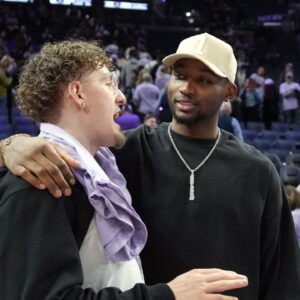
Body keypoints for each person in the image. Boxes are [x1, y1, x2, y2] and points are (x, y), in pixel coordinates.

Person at [2, 33, 300, 299]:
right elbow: (60, 146)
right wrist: (10, 146)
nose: (187, 88)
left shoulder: (258, 170)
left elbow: (282, 276)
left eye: (204, 80)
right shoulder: (121, 152)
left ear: (229, 93)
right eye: (180, 76)